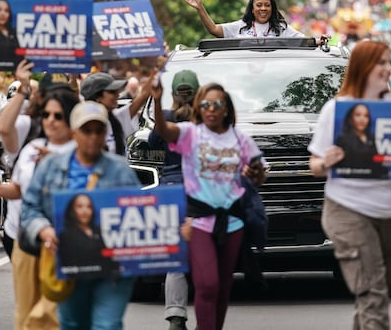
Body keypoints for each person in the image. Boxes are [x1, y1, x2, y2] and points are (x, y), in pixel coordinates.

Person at [307, 40, 391, 329]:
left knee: (382, 288)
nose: (386, 68)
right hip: (348, 210)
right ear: (362, 68)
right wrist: (327, 161)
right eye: (379, 62)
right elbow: (314, 165)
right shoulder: (337, 109)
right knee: (373, 291)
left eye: (387, 61)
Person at [152, 81, 266, 330]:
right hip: (199, 221)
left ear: (226, 108)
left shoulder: (240, 139)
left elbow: (259, 175)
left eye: (217, 104)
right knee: (208, 284)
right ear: (198, 108)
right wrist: (158, 104)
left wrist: (254, 171)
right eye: (205, 104)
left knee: (223, 287)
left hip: (233, 222)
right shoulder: (190, 134)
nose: (211, 109)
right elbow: (162, 130)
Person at [20, 101, 142, 330]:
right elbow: (30, 207)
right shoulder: (51, 167)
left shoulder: (122, 171)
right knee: (73, 325)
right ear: (74, 133)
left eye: (99, 130)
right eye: (87, 131)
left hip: (113, 269)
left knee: (107, 325)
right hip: (70, 266)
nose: (94, 137)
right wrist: (44, 230)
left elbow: (143, 213)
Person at [0, 89, 78, 330]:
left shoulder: (83, 150)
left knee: (57, 313)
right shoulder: (32, 148)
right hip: (28, 240)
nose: (50, 120)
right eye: (46, 114)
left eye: (58, 116)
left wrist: (56, 164)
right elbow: (20, 191)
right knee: (27, 313)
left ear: (71, 119)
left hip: (68, 244)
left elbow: (88, 193)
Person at [147, 69, 199, 330]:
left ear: (174, 93)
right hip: (202, 193)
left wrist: (158, 104)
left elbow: (154, 139)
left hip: (171, 192)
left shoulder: (167, 119)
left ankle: (176, 315)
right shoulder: (207, 119)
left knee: (177, 258)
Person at [80, 71, 152, 155]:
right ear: (98, 97)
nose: (118, 95)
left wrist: (159, 68)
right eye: (112, 92)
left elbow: (144, 94)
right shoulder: (80, 125)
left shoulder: (117, 118)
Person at [182, 0, 304, 38]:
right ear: (252, 8)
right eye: (259, 5)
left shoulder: (281, 29)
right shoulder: (240, 27)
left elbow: (306, 42)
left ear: (272, 9)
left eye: (267, 5)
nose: (263, 8)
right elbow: (213, 29)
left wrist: (322, 39)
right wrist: (200, 8)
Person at [58, 193, 118, 276]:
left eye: (89, 207)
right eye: (80, 206)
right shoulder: (66, 235)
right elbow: (70, 267)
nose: (85, 211)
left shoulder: (98, 230)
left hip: (107, 278)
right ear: (72, 210)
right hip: (81, 282)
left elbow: (109, 257)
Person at [334, 103, 389, 179]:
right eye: (358, 115)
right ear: (351, 117)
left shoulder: (373, 138)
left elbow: (381, 165)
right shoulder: (342, 140)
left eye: (366, 116)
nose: (362, 119)